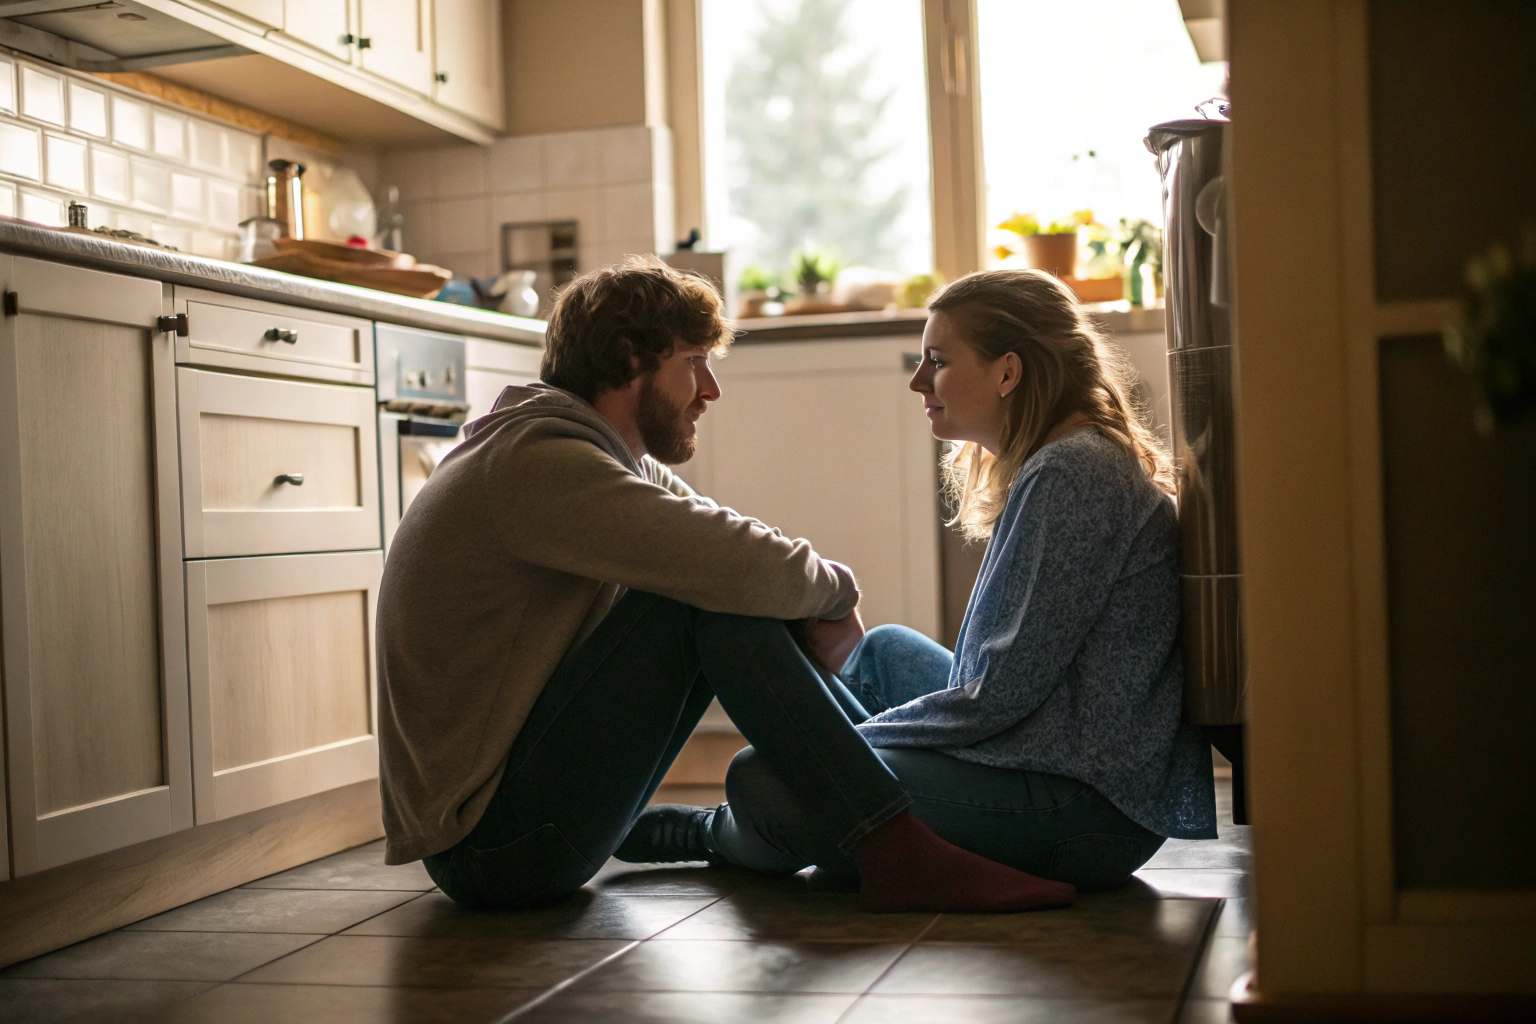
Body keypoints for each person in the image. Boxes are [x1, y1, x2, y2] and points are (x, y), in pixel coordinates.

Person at [374, 255, 1076, 914]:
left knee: (729, 587)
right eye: (694, 364)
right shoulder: (539, 463)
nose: (709, 390)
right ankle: (897, 845)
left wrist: (811, 594)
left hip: (518, 819)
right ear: (628, 363)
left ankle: (889, 811)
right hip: (492, 852)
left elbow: (729, 540)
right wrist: (834, 596)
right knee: (706, 603)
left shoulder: (585, 454)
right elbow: (736, 566)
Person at [626, 268, 1217, 890]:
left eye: (936, 360)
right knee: (883, 652)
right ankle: (812, 811)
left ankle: (718, 834)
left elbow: (997, 696)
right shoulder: (1065, 459)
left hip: (1079, 810)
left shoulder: (1073, 473)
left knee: (765, 777)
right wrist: (840, 752)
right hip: (1050, 748)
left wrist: (831, 752)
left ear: (1007, 373)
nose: (917, 380)